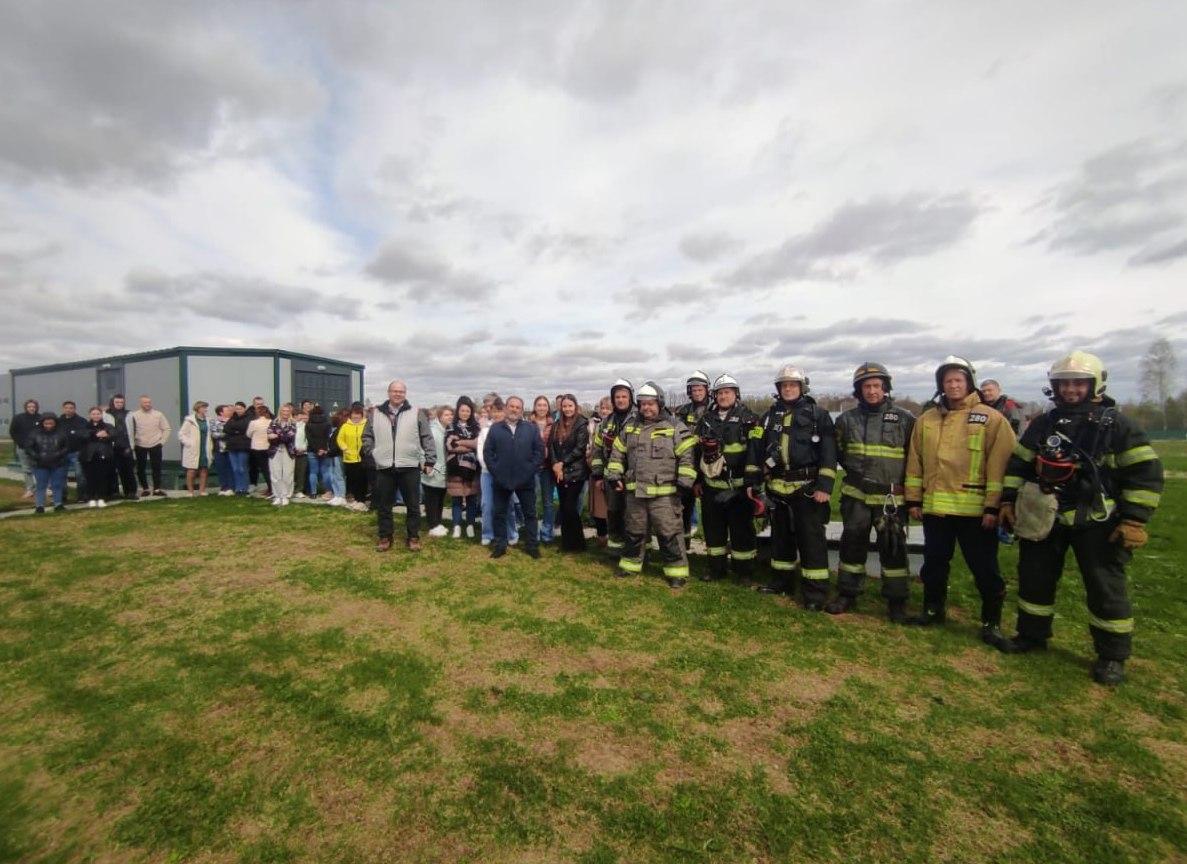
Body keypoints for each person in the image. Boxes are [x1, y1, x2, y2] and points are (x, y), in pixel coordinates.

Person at [997, 351, 1163, 686]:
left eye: (1078, 383)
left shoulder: (1116, 425)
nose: (1070, 389)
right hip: (1046, 516)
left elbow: (1145, 474)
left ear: (1095, 384)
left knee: (1104, 586)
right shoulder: (1044, 424)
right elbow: (1019, 464)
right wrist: (1008, 500)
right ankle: (1031, 635)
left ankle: (1112, 655)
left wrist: (1133, 520)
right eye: (1064, 383)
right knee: (1034, 577)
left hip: (1097, 520)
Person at [904, 356, 1016, 649]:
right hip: (936, 510)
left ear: (969, 383)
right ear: (941, 384)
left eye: (958, 380)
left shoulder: (991, 419)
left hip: (976, 513)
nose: (953, 385)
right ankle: (932, 610)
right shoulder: (926, 420)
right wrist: (913, 500)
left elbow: (1000, 467)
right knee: (934, 563)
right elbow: (914, 462)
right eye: (948, 380)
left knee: (985, 568)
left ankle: (991, 623)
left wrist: (994, 507)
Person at [831, 363, 916, 621]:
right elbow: (838, 452)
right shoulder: (847, 420)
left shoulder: (905, 419)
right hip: (856, 495)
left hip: (891, 498)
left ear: (885, 388)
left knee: (893, 548)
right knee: (851, 545)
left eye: (876, 386)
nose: (872, 391)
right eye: (866, 386)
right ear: (859, 390)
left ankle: (896, 601)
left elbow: (915, 459)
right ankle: (847, 593)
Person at [753, 366, 838, 609]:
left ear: (802, 387)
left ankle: (815, 594)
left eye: (793, 384)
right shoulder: (768, 417)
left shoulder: (818, 415)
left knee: (811, 542)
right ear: (778, 389)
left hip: (807, 489)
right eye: (784, 385)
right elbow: (757, 449)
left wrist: (825, 486)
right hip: (777, 488)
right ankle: (782, 582)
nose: (788, 389)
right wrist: (756, 481)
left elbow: (829, 453)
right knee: (781, 540)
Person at [604, 381, 697, 586]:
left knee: (669, 533)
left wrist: (684, 482)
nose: (646, 407)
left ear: (660, 403)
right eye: (643, 404)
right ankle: (631, 566)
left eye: (651, 403)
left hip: (665, 495)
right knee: (634, 532)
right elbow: (617, 453)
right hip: (635, 493)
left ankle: (677, 573)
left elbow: (687, 458)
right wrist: (614, 476)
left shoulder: (675, 427)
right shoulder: (630, 427)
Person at [695, 374, 764, 582]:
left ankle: (743, 572)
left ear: (736, 394)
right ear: (715, 396)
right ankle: (716, 569)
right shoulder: (706, 420)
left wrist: (753, 483)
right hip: (711, 488)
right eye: (720, 393)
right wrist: (697, 481)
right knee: (713, 530)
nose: (723, 396)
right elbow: (697, 453)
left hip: (739, 488)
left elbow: (756, 452)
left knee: (741, 531)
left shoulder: (750, 419)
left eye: (728, 392)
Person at [362, 380, 435, 552]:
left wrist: (430, 460)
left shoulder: (416, 413)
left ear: (405, 393)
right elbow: (367, 436)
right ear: (388, 392)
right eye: (394, 391)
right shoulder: (375, 413)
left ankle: (413, 536)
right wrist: (372, 453)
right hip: (385, 467)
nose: (397, 394)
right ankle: (385, 536)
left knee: (413, 505)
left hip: (410, 466)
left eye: (401, 391)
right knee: (384, 505)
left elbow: (427, 437)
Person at [483, 395, 543, 559]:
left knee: (530, 514)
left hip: (525, 480)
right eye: (511, 406)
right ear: (506, 408)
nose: (514, 409)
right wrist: (497, 471)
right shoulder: (495, 429)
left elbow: (539, 452)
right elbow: (488, 453)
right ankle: (500, 545)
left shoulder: (531, 428)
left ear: (522, 410)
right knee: (500, 513)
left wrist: (529, 470)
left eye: (518, 407)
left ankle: (532, 546)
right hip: (502, 480)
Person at [590, 379, 635, 556]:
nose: (621, 400)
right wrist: (598, 476)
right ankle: (616, 550)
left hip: (634, 477)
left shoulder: (639, 419)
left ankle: (636, 552)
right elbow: (597, 451)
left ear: (631, 397)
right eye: (617, 396)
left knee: (634, 517)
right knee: (614, 515)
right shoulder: (606, 422)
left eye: (624, 396)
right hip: (611, 478)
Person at [674, 370, 712, 539]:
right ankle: (685, 542)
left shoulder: (715, 409)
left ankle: (713, 542)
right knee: (684, 507)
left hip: (710, 464)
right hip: (688, 464)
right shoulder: (682, 411)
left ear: (707, 390)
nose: (697, 393)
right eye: (694, 390)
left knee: (710, 508)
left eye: (700, 389)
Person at [550, 394, 590, 551]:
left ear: (575, 406)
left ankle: (578, 543)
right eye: (564, 406)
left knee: (569, 507)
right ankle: (567, 543)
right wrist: (554, 464)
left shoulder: (581, 423)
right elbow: (551, 446)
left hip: (576, 472)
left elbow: (579, 448)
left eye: (570, 406)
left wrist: (562, 463)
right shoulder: (556, 424)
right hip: (559, 472)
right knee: (564, 507)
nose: (567, 409)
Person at [477, 398, 519, 547]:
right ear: (491, 412)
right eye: (495, 411)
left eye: (500, 411)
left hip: (506, 474)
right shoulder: (485, 431)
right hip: (487, 473)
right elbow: (482, 454)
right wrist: (494, 468)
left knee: (509, 505)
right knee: (487, 505)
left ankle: (512, 532)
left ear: (505, 412)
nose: (498, 414)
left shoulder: (511, 430)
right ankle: (488, 533)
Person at [446, 395, 481, 538]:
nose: (465, 413)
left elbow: (478, 444)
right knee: (457, 498)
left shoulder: (476, 427)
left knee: (472, 497)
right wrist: (469, 444)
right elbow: (450, 445)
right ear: (458, 411)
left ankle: (470, 525)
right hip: (455, 467)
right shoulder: (451, 426)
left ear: (471, 412)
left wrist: (461, 442)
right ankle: (457, 525)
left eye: (468, 411)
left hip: (472, 468)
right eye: (462, 410)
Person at [129, 395, 172, 497]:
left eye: (149, 402)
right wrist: (133, 443)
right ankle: (145, 489)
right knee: (141, 468)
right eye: (145, 402)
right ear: (140, 403)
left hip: (156, 444)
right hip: (139, 445)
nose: (147, 404)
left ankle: (157, 489)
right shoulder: (134, 415)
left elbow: (167, 429)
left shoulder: (158, 414)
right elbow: (130, 430)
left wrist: (162, 442)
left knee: (156, 467)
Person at [26, 414, 69, 513]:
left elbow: (66, 447)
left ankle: (58, 504)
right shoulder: (34, 434)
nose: (48, 425)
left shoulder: (61, 433)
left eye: (51, 423)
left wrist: (58, 454)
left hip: (58, 463)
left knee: (57, 484)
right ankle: (39, 506)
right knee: (41, 485)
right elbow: (29, 447)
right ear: (42, 423)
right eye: (46, 423)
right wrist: (37, 456)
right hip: (40, 463)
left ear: (55, 423)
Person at [587, 396, 612, 546]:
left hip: (614, 471)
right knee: (599, 507)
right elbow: (589, 446)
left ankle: (614, 536)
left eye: (608, 408)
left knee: (613, 508)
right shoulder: (592, 426)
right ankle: (601, 535)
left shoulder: (618, 424)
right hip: (596, 470)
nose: (604, 411)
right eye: (602, 408)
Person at [530, 395, 556, 543]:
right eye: (539, 405)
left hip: (547, 468)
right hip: (532, 468)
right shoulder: (527, 424)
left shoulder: (553, 425)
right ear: (535, 407)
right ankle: (534, 532)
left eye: (544, 405)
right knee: (532, 501)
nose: (541, 407)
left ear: (548, 408)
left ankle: (547, 532)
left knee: (548, 502)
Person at [423, 406, 451, 537]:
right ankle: (433, 525)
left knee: (440, 499)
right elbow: (424, 450)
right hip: (433, 470)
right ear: (440, 417)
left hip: (443, 472)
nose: (449, 417)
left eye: (451, 415)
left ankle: (438, 523)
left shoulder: (446, 431)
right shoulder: (433, 432)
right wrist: (428, 466)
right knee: (432, 499)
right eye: (446, 415)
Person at [80, 407, 116, 508]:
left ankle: (101, 498)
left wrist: (106, 436)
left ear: (101, 415)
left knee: (102, 478)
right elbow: (82, 436)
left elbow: (114, 435)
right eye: (93, 414)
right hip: (88, 456)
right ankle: (91, 498)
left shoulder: (107, 426)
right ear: (90, 415)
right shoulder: (85, 426)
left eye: (98, 414)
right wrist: (97, 435)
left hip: (103, 455)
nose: (96, 416)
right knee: (90, 478)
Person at [104, 394, 137, 500]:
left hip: (126, 446)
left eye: (121, 402)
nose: (119, 404)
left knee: (128, 471)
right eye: (117, 402)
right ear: (112, 402)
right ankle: (114, 492)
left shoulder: (129, 414)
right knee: (111, 471)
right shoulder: (106, 414)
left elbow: (135, 429)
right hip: (112, 446)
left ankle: (130, 492)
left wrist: (132, 444)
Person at [178, 401, 214, 497]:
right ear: (198, 408)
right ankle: (190, 491)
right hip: (193, 449)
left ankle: (202, 490)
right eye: (203, 407)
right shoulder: (190, 420)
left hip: (204, 448)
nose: (205, 409)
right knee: (192, 470)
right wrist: (189, 443)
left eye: (206, 408)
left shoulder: (208, 420)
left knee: (204, 469)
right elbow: (181, 434)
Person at [337, 403, 368, 510]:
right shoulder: (345, 426)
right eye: (354, 415)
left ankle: (361, 500)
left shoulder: (366, 425)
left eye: (358, 415)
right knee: (351, 479)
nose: (356, 417)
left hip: (362, 458)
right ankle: (352, 498)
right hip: (349, 458)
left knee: (362, 480)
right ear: (351, 415)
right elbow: (340, 439)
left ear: (362, 415)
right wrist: (344, 448)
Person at [58, 401, 89, 503]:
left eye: (71, 408)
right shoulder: (58, 421)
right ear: (63, 409)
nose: (69, 409)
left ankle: (82, 496)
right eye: (66, 408)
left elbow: (85, 435)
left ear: (74, 409)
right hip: (62, 453)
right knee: (61, 475)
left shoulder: (81, 421)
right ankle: (62, 496)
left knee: (80, 475)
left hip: (77, 452)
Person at [267, 403, 298, 506]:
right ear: (280, 412)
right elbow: (269, 434)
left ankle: (285, 495)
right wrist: (276, 435)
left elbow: (288, 437)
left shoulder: (293, 423)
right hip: (274, 451)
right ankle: (277, 495)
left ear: (290, 412)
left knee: (287, 474)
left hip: (288, 451)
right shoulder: (273, 422)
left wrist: (276, 435)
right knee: (275, 474)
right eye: (283, 411)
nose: (285, 413)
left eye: (287, 411)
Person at [11, 399, 42, 499]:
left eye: (33, 407)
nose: (32, 408)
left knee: (39, 468)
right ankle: (30, 489)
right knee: (26, 469)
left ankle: (43, 488)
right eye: (29, 407)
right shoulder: (18, 418)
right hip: (22, 447)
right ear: (26, 407)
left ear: (36, 407)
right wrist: (20, 442)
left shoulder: (41, 418)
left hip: (37, 448)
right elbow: (13, 431)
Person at [222, 402, 253, 496]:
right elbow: (226, 429)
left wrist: (236, 430)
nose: (238, 410)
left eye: (240, 408)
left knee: (242, 468)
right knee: (235, 468)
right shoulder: (232, 418)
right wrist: (237, 430)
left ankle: (244, 488)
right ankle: (238, 488)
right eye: (237, 408)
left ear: (244, 408)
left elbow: (245, 428)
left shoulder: (249, 417)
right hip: (232, 446)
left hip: (243, 446)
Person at [247, 406, 274, 497]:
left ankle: (271, 488)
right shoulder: (271, 422)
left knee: (264, 469)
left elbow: (249, 434)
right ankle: (272, 487)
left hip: (258, 447)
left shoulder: (253, 423)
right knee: (270, 468)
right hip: (269, 446)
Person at [209, 405, 234, 495]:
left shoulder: (232, 421)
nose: (229, 411)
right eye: (227, 410)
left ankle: (231, 487)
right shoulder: (214, 422)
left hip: (231, 447)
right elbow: (214, 434)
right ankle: (224, 487)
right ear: (221, 412)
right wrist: (226, 434)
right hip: (219, 448)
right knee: (221, 468)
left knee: (230, 468)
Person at [292, 408, 309, 499]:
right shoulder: (290, 425)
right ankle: (290, 489)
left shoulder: (306, 427)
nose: (302, 418)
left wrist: (303, 448)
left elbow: (307, 439)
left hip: (303, 452)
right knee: (291, 472)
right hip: (291, 452)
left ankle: (299, 490)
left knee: (301, 472)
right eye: (300, 416)